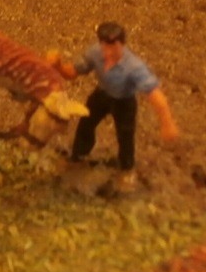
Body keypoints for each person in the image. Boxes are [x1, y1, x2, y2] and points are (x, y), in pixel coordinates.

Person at [54, 21, 179, 189]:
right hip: (101, 94)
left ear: (122, 44)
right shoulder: (95, 53)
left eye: (112, 47)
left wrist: (167, 123)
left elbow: (155, 94)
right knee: (85, 124)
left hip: (124, 102)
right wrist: (58, 66)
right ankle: (77, 156)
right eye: (104, 46)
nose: (107, 52)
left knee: (125, 136)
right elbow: (73, 72)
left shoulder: (134, 67)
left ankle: (127, 169)